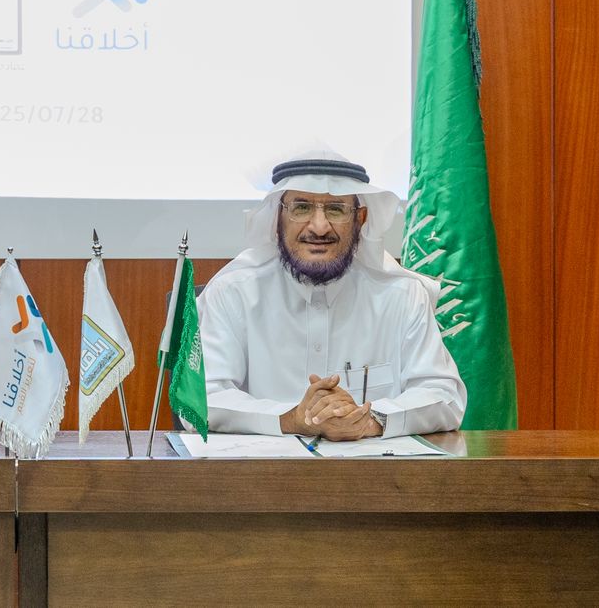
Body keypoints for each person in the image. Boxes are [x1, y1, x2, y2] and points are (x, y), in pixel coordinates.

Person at [198, 148, 466, 440]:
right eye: (301, 208)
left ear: (360, 219)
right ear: (277, 217)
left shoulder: (402, 296)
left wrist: (368, 420)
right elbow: (201, 399)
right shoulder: (233, 294)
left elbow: (444, 395)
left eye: (336, 209)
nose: (319, 227)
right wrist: (293, 419)